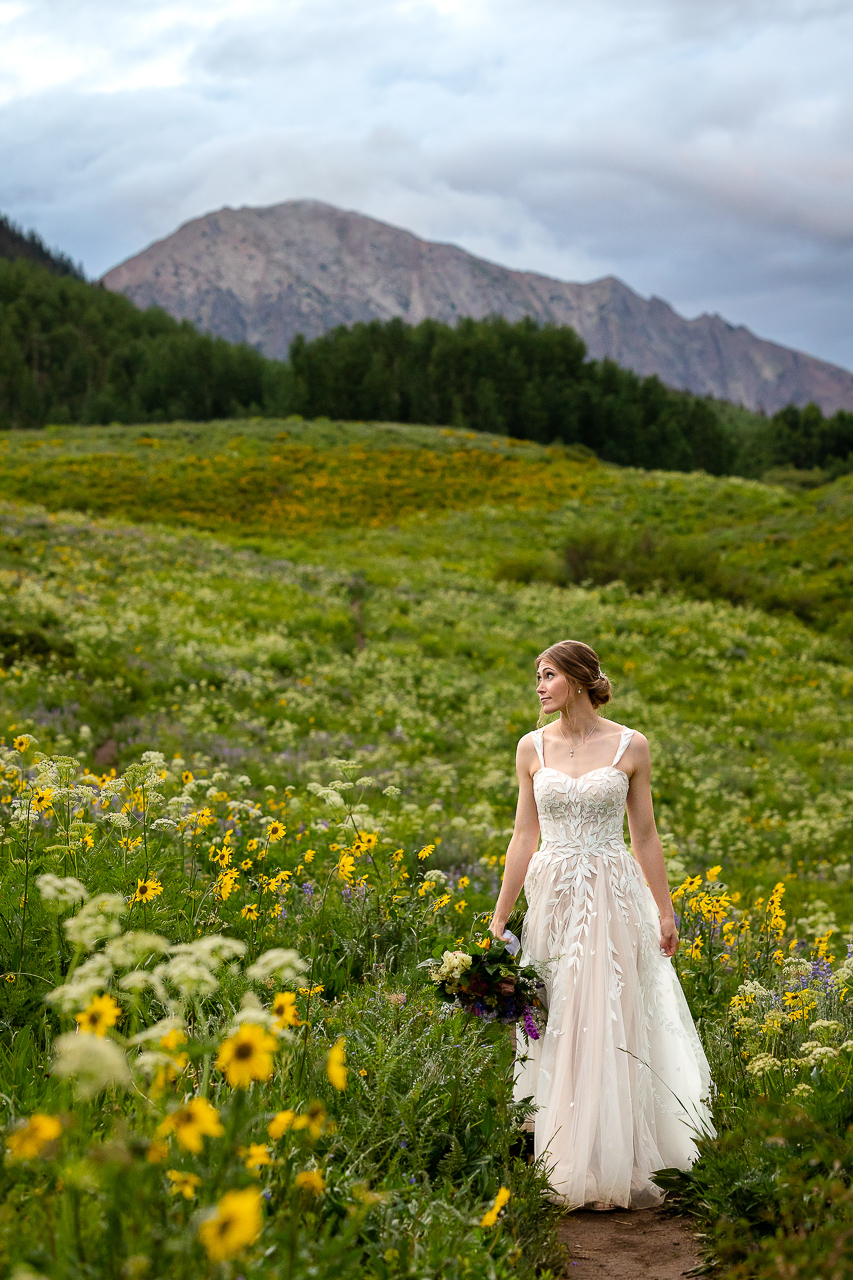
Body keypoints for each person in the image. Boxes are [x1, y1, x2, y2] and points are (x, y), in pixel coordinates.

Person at [489, 639, 714, 1210]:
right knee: (558, 1016)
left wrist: (665, 909)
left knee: (613, 1012)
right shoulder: (530, 747)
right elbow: (523, 836)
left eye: (547, 675)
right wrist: (499, 916)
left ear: (580, 679)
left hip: (614, 896)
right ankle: (566, 1159)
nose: (539, 686)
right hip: (554, 898)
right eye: (537, 676)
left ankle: (625, 1158)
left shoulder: (629, 745)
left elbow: (645, 837)